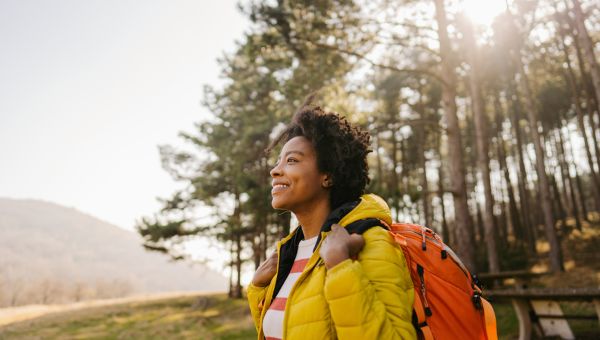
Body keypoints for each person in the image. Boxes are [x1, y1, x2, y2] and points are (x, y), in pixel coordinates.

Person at [247, 100, 416, 340]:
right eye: (278, 161)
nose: (275, 171)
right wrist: (258, 289)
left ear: (327, 176)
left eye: (291, 160)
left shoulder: (367, 240)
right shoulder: (287, 254)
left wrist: (341, 268)